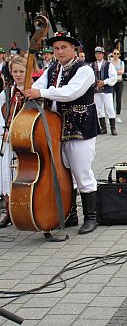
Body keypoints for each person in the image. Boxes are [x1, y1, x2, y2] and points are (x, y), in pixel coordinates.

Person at [24, 31, 100, 234]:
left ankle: (92, 217)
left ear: (74, 48)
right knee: (64, 174)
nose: (59, 51)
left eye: (63, 47)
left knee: (82, 172)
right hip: (57, 127)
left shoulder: (85, 70)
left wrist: (42, 92)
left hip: (80, 127)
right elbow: (38, 85)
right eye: (56, 48)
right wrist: (29, 90)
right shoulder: (52, 69)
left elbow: (70, 92)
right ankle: (70, 214)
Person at [0, 56, 27, 228]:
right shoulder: (6, 93)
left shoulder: (34, 90)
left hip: (28, 140)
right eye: (15, 71)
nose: (18, 75)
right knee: (6, 175)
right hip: (9, 139)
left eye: (21, 71)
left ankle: (29, 208)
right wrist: (5, 130)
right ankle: (10, 212)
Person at [91, 47, 118, 135]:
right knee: (99, 109)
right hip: (96, 90)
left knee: (110, 108)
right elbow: (89, 77)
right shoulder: (92, 65)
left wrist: (105, 82)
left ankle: (113, 128)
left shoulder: (108, 65)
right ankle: (103, 128)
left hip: (107, 90)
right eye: (96, 53)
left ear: (103, 54)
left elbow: (114, 77)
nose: (98, 55)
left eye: (100, 53)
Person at [110, 49, 125, 123]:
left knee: (118, 100)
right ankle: (111, 116)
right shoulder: (109, 62)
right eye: (114, 53)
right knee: (110, 100)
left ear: (119, 55)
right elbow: (108, 72)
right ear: (112, 54)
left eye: (117, 53)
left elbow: (122, 72)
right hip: (111, 83)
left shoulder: (121, 62)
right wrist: (117, 72)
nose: (116, 55)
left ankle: (118, 116)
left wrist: (113, 72)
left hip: (119, 82)